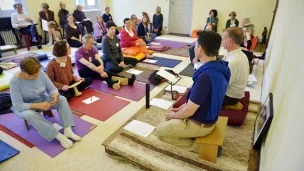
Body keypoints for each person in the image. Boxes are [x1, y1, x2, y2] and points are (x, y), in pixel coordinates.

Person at [154, 31, 231, 153]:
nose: (194, 48)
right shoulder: (221, 66)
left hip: (200, 124)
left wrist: (174, 115)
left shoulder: (205, 76)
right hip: (209, 117)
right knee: (173, 118)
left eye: (196, 45)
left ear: (200, 48)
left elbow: (190, 110)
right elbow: (196, 100)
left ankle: (200, 147)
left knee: (160, 131)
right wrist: (179, 110)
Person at [10, 57, 81, 149]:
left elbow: (51, 88)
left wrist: (54, 95)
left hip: (41, 100)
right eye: (31, 76)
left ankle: (68, 129)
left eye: (37, 74)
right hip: (25, 107)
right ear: (22, 71)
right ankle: (58, 136)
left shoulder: (41, 73)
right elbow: (18, 105)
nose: (36, 77)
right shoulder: (14, 81)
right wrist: (38, 105)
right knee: (31, 115)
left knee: (62, 99)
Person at [221, 27, 249, 106]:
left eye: (223, 39)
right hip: (237, 93)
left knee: (200, 92)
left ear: (230, 42)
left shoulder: (233, 61)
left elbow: (223, 85)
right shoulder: (241, 54)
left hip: (230, 97)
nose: (221, 41)